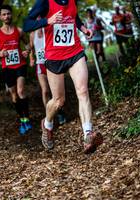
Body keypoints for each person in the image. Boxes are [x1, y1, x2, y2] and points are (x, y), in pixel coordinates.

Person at [23, 0, 103, 153]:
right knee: (59, 100)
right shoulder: (44, 3)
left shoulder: (72, 1)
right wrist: (48, 20)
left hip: (75, 52)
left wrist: (83, 28)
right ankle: (47, 124)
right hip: (54, 56)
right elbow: (27, 24)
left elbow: (74, 16)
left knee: (83, 91)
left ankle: (88, 135)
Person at [0, 4, 32, 135]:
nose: (7, 16)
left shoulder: (19, 30)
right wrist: (0, 54)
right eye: (4, 14)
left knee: (21, 91)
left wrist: (27, 51)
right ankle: (22, 120)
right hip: (7, 67)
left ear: (11, 15)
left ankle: (27, 120)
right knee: (14, 95)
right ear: (1, 17)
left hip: (20, 65)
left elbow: (28, 44)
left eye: (8, 14)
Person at [29, 26, 66, 125]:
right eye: (38, 17)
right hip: (40, 65)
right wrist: (31, 58)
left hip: (52, 63)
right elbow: (31, 49)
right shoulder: (32, 35)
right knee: (45, 91)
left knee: (57, 92)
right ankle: (49, 116)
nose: (39, 18)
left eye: (42, 16)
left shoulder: (50, 29)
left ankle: (60, 112)